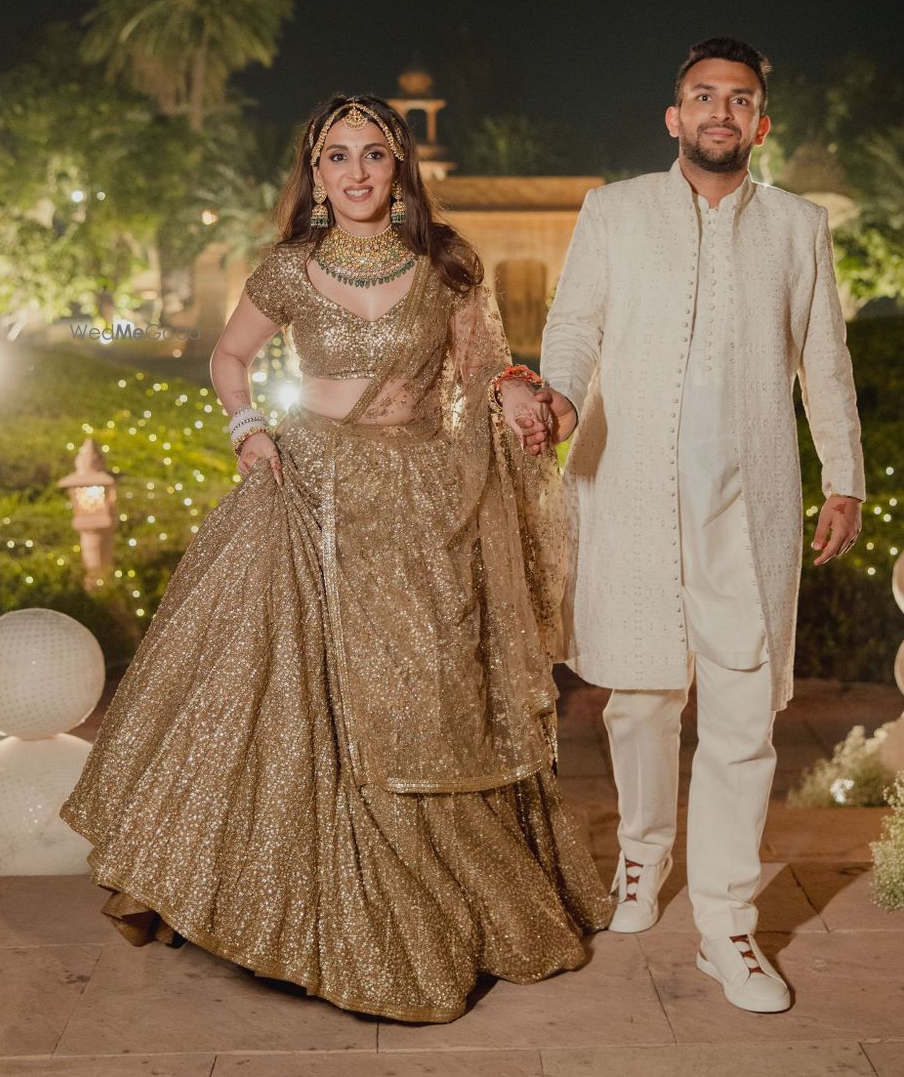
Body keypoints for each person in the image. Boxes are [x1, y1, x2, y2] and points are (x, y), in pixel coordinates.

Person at [61, 93, 612, 1024]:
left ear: (399, 171)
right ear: (314, 176)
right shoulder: (288, 270)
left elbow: (482, 369)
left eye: (373, 156)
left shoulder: (446, 266)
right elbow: (229, 359)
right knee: (286, 693)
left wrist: (516, 394)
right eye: (337, 157)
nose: (356, 173)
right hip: (308, 489)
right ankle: (294, 903)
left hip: (423, 495)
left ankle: (450, 892)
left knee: (427, 686)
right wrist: (247, 430)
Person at [534, 37, 865, 1013]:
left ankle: (726, 924)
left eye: (739, 99)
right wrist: (550, 403)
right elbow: (573, 328)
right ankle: (641, 863)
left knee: (741, 710)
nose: (719, 111)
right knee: (637, 698)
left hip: (748, 500)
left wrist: (841, 474)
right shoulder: (614, 210)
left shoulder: (796, 227)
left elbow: (824, 359)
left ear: (759, 124)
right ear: (673, 118)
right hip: (630, 487)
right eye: (701, 97)